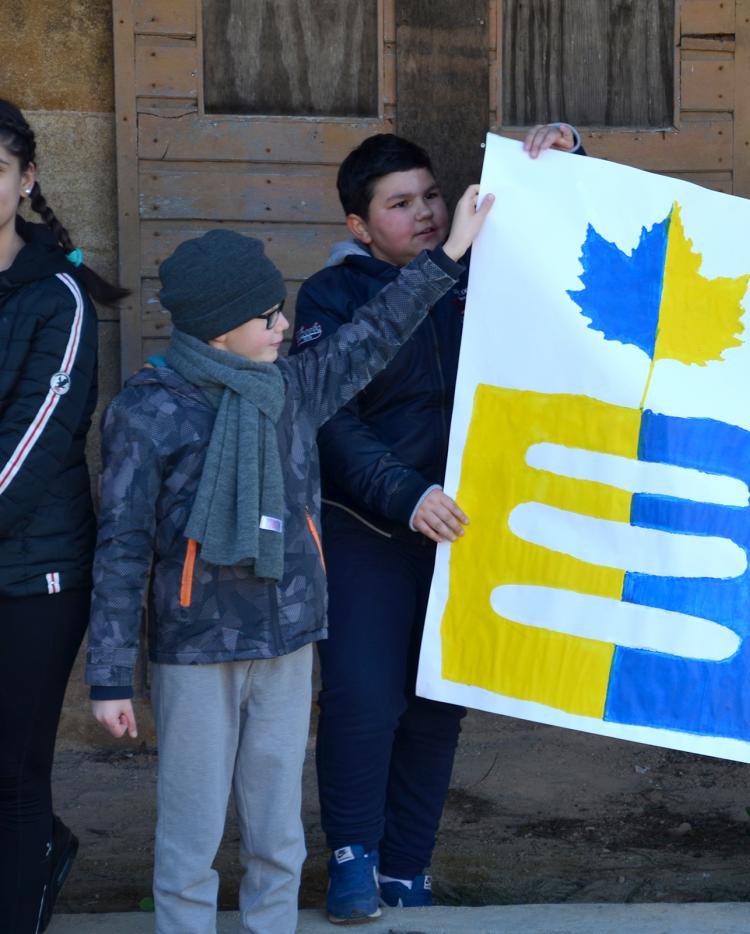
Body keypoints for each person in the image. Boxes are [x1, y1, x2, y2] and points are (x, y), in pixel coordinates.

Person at [85, 181, 493, 933]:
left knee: (278, 831)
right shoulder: (149, 410)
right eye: (267, 315)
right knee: (192, 828)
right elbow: (120, 547)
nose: (284, 325)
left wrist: (455, 250)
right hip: (197, 648)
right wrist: (110, 676)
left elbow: (376, 331)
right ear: (217, 329)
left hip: (288, 637)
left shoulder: (294, 386)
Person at [290, 122, 582, 922]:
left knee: (436, 703)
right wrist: (403, 493)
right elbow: (330, 419)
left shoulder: (483, 269)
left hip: (468, 528)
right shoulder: (330, 297)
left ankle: (408, 868)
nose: (424, 213)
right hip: (370, 527)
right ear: (358, 225)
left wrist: (568, 155)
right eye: (399, 204)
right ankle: (353, 856)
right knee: (361, 697)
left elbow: (576, 235)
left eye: (430, 196)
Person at [0, 98, 129, 934]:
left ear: (25, 179)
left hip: (32, 580)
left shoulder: (59, 296)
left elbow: (33, 443)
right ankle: (41, 854)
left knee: (10, 775)